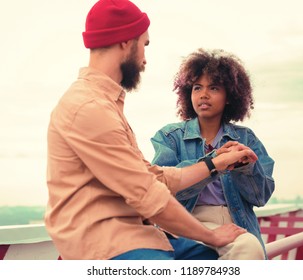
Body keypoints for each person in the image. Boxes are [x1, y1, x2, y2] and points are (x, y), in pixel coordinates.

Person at [44, 0, 259, 260]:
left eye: (214, 88)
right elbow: (149, 195)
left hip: (137, 236)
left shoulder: (105, 104)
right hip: (106, 246)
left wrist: (215, 163)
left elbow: (155, 177)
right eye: (144, 45)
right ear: (126, 41)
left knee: (219, 257)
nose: (144, 60)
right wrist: (211, 236)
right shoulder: (89, 107)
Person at [150, 48, 275, 260]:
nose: (203, 94)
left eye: (214, 88)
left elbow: (260, 197)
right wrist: (213, 162)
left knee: (248, 247)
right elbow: (162, 190)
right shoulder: (169, 137)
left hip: (236, 222)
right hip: (189, 220)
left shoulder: (247, 139)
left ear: (230, 97)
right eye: (197, 88)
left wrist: (245, 168)